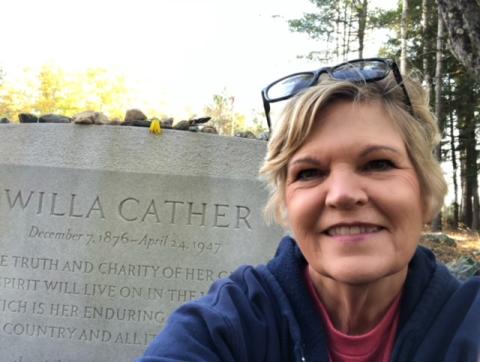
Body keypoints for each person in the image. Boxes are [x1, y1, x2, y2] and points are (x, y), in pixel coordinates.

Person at [137, 58, 480, 361]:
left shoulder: (469, 322)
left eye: (378, 164)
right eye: (310, 173)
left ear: (425, 191)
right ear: (286, 205)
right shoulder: (226, 325)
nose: (342, 195)